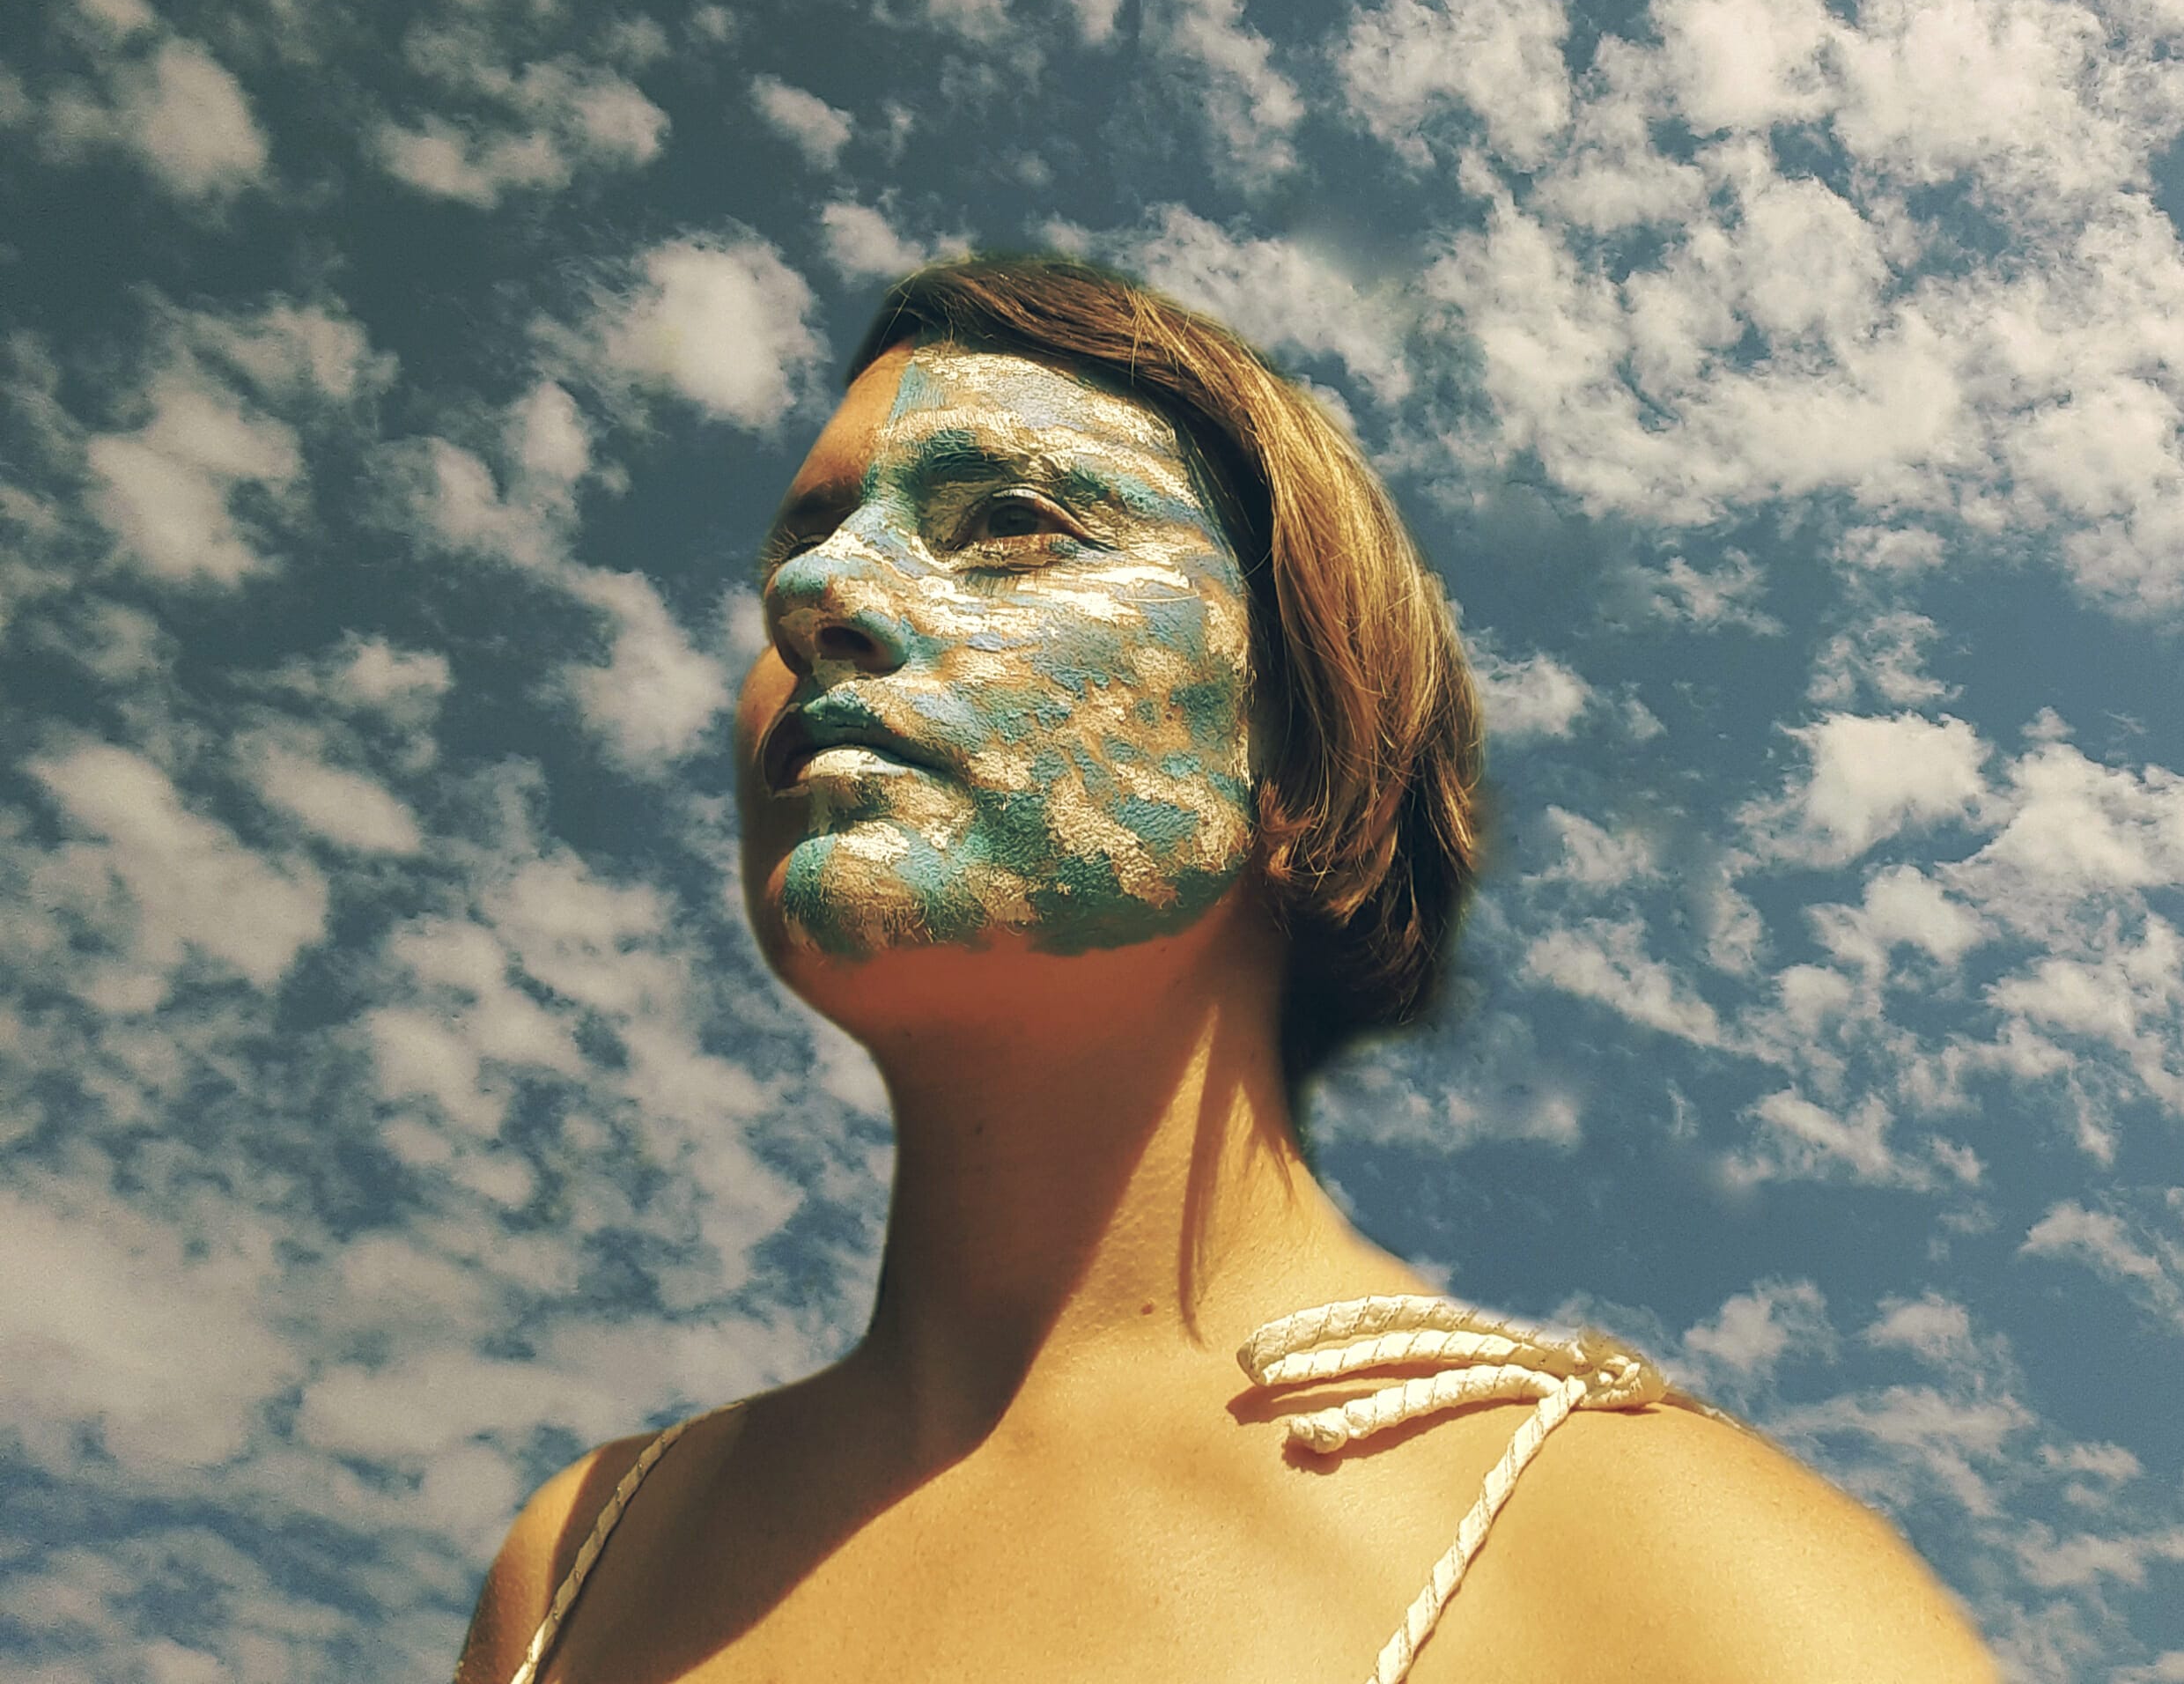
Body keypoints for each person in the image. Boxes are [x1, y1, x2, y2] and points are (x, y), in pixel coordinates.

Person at [453, 256, 2001, 1684]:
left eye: (1011, 523)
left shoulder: (1661, 1572)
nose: (814, 597)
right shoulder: (583, 1557)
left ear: (1300, 765)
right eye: (802, 546)